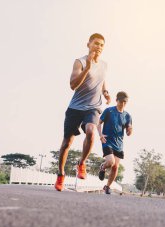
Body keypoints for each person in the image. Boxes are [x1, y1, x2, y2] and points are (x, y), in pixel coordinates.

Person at [55, 33, 111, 191]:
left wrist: (106, 92)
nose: (98, 47)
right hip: (75, 108)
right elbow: (73, 85)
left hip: (93, 107)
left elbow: (102, 80)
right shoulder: (79, 62)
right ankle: (61, 174)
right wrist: (87, 68)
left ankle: (81, 162)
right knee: (67, 143)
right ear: (88, 44)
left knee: (91, 131)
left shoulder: (104, 65)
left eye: (101, 45)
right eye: (96, 43)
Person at [97, 91, 132, 194]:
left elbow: (129, 131)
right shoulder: (109, 111)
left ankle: (107, 186)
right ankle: (103, 167)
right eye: (121, 101)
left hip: (119, 145)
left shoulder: (127, 116)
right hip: (107, 141)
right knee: (111, 162)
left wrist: (130, 130)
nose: (122, 104)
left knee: (115, 167)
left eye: (125, 102)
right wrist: (100, 135)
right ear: (116, 100)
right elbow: (98, 123)